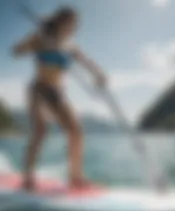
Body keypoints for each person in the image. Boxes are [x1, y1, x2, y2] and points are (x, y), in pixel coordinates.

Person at [13, 7, 107, 190]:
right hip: (38, 89)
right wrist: (30, 41)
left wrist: (99, 74)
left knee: (76, 131)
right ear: (60, 22)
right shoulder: (41, 38)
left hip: (57, 93)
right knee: (41, 131)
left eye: (75, 23)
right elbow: (16, 51)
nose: (75, 26)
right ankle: (27, 176)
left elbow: (87, 62)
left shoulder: (71, 46)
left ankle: (75, 177)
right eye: (71, 22)